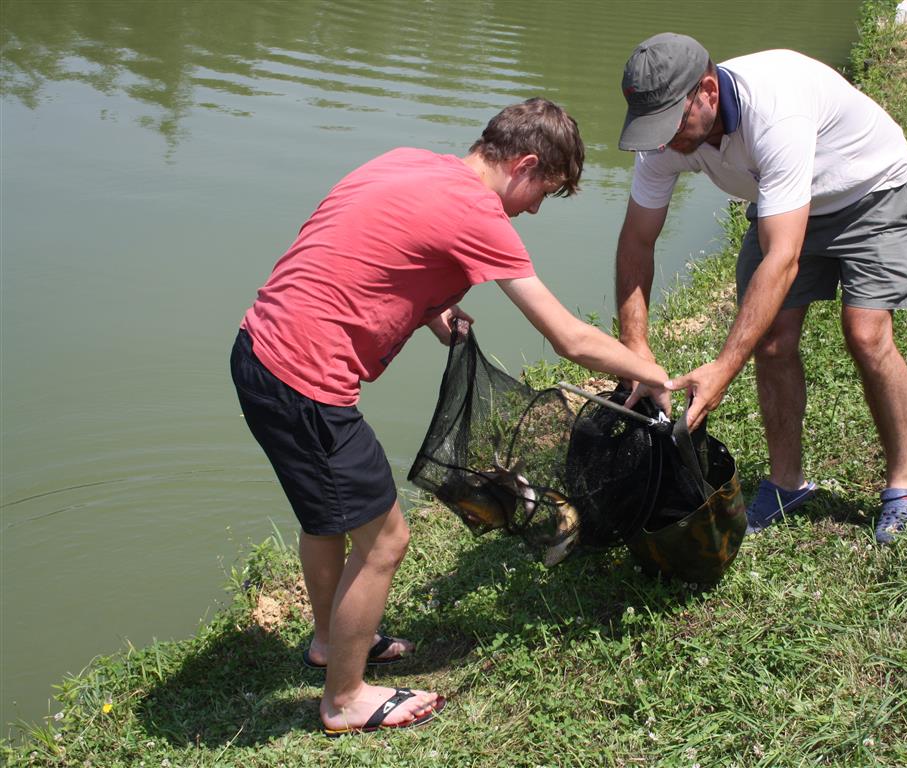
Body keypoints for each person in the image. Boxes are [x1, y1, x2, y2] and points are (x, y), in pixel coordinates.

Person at [231, 98, 669, 736]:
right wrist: (651, 372)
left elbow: (364, 243)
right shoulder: (479, 214)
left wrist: (431, 305)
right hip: (305, 381)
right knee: (385, 540)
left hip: (258, 350)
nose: (535, 209)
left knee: (326, 519)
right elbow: (568, 338)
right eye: (543, 192)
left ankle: (330, 642)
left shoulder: (409, 162)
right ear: (524, 165)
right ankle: (344, 700)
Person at [613, 33, 907, 544]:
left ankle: (904, 484)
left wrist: (722, 369)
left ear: (708, 91)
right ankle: (787, 484)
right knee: (773, 341)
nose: (663, 141)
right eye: (652, 127)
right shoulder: (662, 138)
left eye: (672, 124)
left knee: (866, 334)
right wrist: (635, 348)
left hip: (868, 190)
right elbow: (636, 241)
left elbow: (782, 259)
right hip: (783, 201)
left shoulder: (775, 111)